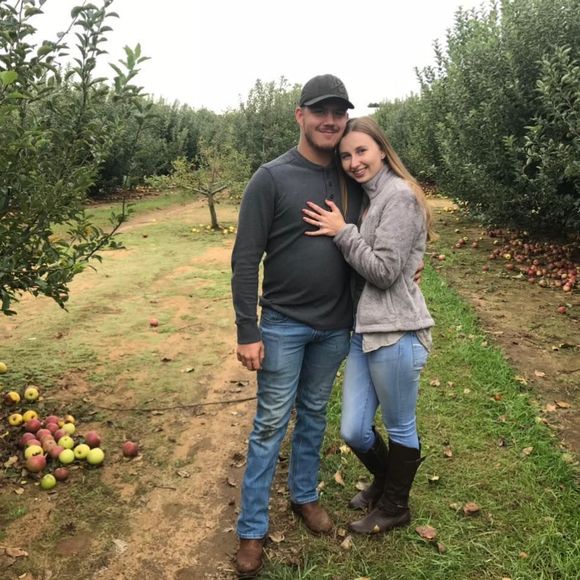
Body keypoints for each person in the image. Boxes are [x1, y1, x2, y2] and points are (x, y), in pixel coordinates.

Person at [230, 74, 363, 577]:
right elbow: (246, 259)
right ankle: (252, 528)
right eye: (320, 111)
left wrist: (409, 259)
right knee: (269, 425)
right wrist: (248, 329)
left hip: (335, 326)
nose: (330, 121)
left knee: (313, 415)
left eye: (338, 112)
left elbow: (387, 220)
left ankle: (304, 495)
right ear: (300, 115)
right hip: (283, 324)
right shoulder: (271, 178)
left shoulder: (352, 175)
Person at [302, 116, 434, 535]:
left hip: (396, 331)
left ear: (381, 149)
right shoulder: (371, 197)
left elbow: (384, 272)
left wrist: (343, 232)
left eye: (361, 151)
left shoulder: (399, 196)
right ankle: (386, 479)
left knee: (400, 424)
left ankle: (395, 505)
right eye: (345, 156)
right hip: (365, 331)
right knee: (354, 430)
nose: (354, 162)